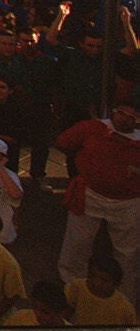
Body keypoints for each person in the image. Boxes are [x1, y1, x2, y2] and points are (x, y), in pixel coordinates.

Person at [54, 98, 140, 304]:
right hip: (89, 195)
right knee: (77, 244)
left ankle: (124, 300)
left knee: (127, 253)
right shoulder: (91, 128)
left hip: (127, 203)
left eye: (132, 116)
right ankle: (71, 290)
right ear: (113, 111)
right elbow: (63, 142)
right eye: (121, 112)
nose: (125, 119)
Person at [64, 254, 137, 327]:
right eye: (92, 276)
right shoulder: (78, 287)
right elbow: (64, 314)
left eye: (104, 280)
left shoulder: (124, 308)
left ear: (116, 285)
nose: (96, 283)